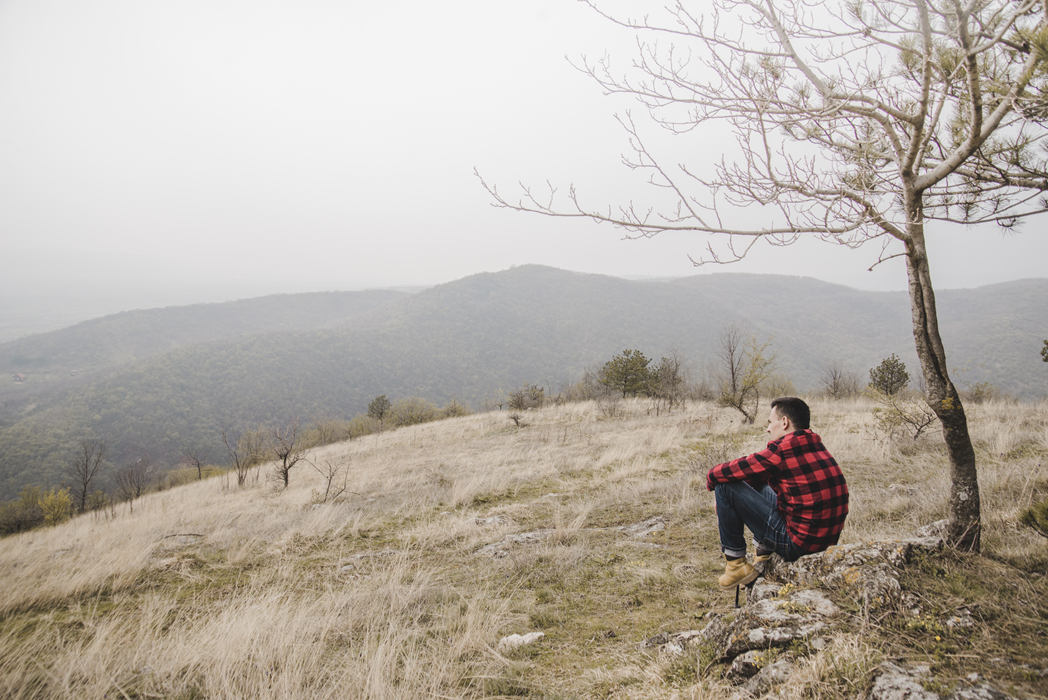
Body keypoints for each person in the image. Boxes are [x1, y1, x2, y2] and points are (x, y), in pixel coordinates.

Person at [706, 396, 849, 588]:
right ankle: (764, 549)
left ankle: (735, 565)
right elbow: (759, 475)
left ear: (784, 422)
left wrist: (720, 493)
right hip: (825, 542)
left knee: (725, 486)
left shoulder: (782, 450)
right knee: (762, 484)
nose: (767, 428)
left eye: (770, 422)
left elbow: (718, 473)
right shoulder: (815, 446)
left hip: (797, 546)